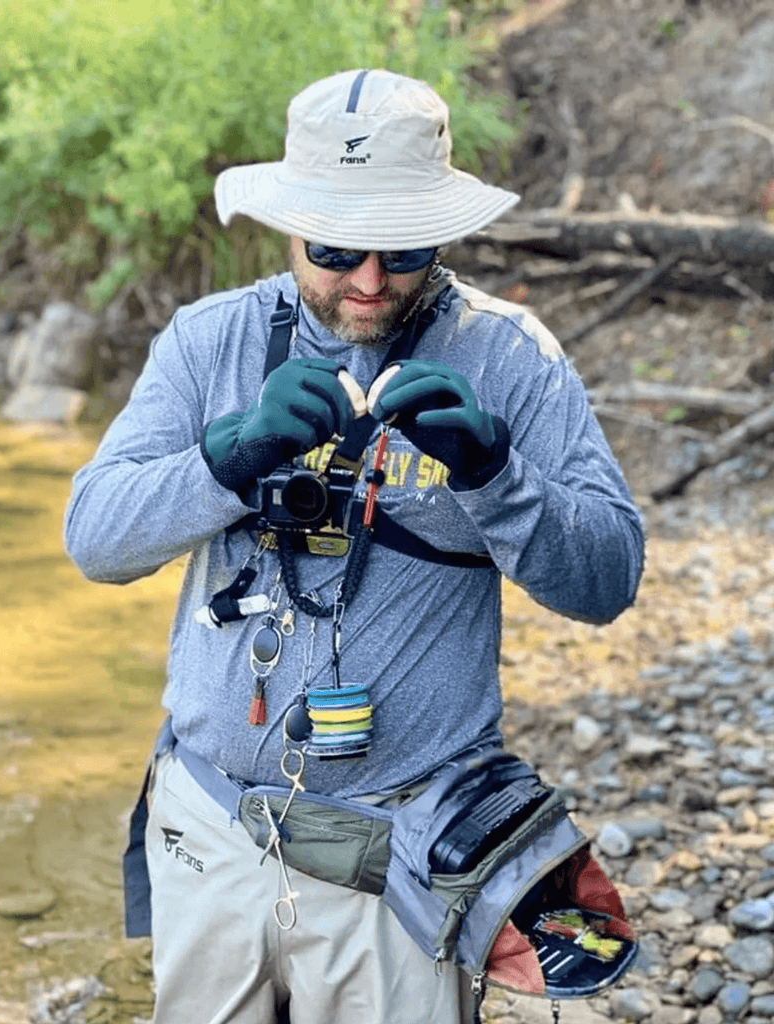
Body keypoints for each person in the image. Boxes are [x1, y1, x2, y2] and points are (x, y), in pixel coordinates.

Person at [64, 69, 644, 1024]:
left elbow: (608, 579)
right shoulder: (210, 342)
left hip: (401, 848)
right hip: (211, 828)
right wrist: (227, 459)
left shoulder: (510, 356)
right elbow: (95, 539)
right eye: (335, 248)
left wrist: (497, 474)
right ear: (289, 225)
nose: (370, 281)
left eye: (403, 248)